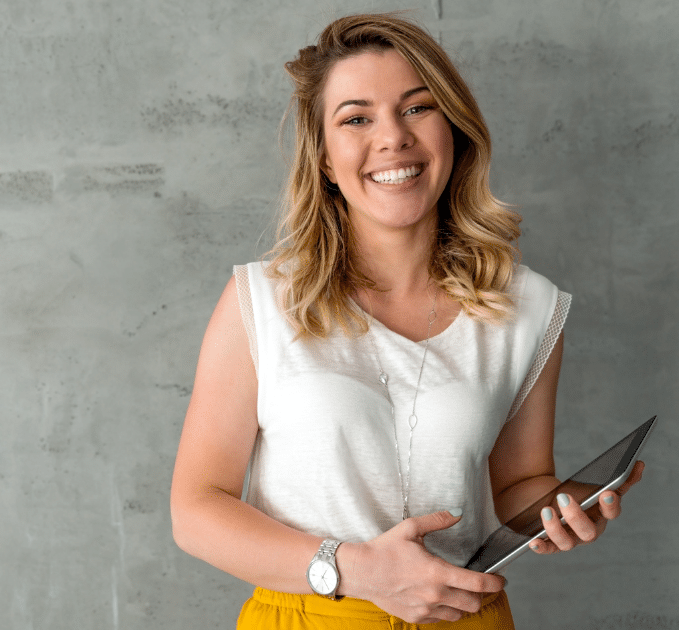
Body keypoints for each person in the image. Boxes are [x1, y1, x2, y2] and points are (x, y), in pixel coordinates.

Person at [170, 13, 644, 629]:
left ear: (454, 129)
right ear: (324, 158)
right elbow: (196, 509)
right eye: (356, 118)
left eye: (417, 108)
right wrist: (354, 569)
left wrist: (563, 510)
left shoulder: (527, 308)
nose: (392, 137)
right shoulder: (261, 301)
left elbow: (520, 485)